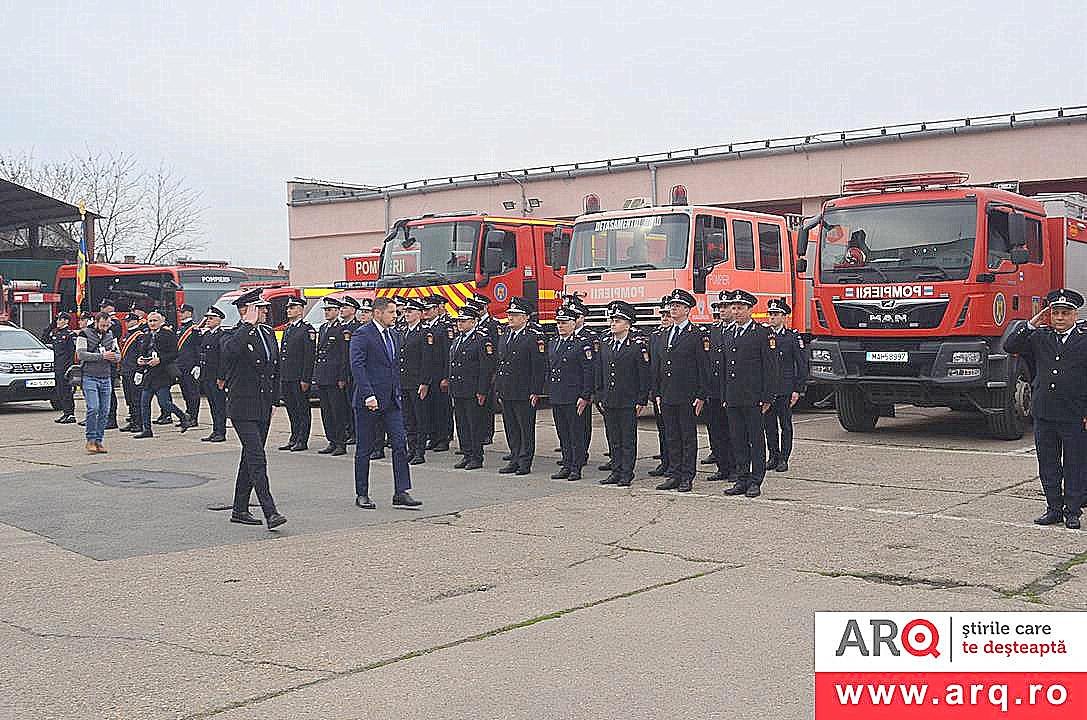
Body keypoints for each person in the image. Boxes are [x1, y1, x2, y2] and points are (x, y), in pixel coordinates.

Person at [1004, 289, 1087, 530]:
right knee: (1048, 463)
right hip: (1044, 412)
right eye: (1056, 313)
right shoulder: (1040, 336)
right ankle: (1054, 509)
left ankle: (1073, 511)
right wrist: (1031, 324)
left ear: (1075, 315)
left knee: (1075, 464)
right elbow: (1010, 346)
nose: (1060, 318)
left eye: (1065, 313)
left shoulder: (1083, 339)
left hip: (1074, 413)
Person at [221, 288, 286, 529]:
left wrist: (275, 400)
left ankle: (239, 509)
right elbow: (230, 353)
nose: (265, 312)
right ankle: (270, 511)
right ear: (245, 311)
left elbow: (275, 369)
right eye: (260, 308)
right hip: (242, 406)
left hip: (263, 405)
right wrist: (246, 325)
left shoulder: (267, 333)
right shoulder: (232, 334)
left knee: (249, 458)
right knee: (257, 458)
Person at [349, 297, 422, 509]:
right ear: (378, 313)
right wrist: (368, 395)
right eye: (391, 312)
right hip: (369, 401)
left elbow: (394, 367)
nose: (395, 316)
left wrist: (397, 392)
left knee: (399, 444)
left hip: (391, 400)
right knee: (365, 447)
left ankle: (401, 491)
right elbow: (357, 366)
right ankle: (362, 493)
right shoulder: (362, 334)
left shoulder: (394, 335)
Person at [721, 290, 779, 498]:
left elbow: (770, 368)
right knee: (738, 439)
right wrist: (725, 395)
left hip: (754, 397)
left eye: (740, 308)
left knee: (755, 440)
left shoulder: (762, 333)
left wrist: (767, 397)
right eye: (734, 308)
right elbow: (725, 367)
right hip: (734, 396)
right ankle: (742, 478)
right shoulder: (728, 333)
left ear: (750, 310)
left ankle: (755, 480)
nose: (736, 312)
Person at [651, 288, 710, 492]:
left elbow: (703, 367)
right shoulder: (665, 333)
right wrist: (657, 393)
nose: (673, 309)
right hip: (667, 394)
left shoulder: (696, 335)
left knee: (687, 437)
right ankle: (674, 474)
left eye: (678, 306)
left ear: (687, 310)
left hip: (687, 394)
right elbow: (658, 366)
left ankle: (687, 476)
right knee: (672, 436)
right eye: (672, 305)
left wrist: (701, 395)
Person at [596, 300, 651, 486]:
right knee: (613, 438)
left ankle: (627, 472)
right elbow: (600, 371)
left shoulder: (636, 346)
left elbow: (643, 375)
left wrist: (641, 399)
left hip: (628, 400)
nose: (613, 324)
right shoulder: (606, 343)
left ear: (627, 325)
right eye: (612, 320)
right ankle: (616, 470)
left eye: (618, 321)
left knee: (627, 439)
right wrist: (600, 395)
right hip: (610, 399)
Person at [494, 297, 546, 476]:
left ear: (525, 317)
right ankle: (514, 458)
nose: (510, 317)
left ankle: (525, 461)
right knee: (511, 427)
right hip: (507, 389)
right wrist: (499, 388)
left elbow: (538, 366)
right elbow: (500, 364)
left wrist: (535, 390)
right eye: (510, 314)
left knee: (525, 428)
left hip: (523, 391)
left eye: (515, 315)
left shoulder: (532, 337)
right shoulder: (505, 335)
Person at [548, 305, 595, 481]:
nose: (560, 326)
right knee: (563, 433)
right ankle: (566, 464)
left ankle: (576, 467)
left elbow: (588, 371)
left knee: (576, 434)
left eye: (564, 323)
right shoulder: (553, 342)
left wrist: (585, 396)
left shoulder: (581, 343)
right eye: (558, 323)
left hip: (574, 396)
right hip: (557, 395)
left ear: (573, 324)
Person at [448, 303, 496, 469]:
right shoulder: (457, 339)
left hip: (472, 389)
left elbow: (485, 368)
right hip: (458, 388)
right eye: (459, 321)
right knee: (462, 424)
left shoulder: (481, 340)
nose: (459, 324)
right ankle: (466, 453)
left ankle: (476, 456)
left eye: (464, 321)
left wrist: (482, 391)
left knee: (474, 424)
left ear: (474, 321)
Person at [763, 297, 808, 473]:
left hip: (785, 388)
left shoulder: (791, 337)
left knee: (785, 425)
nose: (772, 317)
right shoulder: (764, 335)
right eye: (770, 314)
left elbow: (801, 364)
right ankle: (773, 456)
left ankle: (783, 458)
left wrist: (798, 389)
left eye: (776, 314)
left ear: (784, 317)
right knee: (769, 425)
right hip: (768, 389)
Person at [132, 310, 192, 438]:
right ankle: (147, 429)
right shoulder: (146, 335)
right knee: (144, 402)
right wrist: (141, 361)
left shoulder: (168, 334)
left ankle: (183, 416)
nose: (152, 323)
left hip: (163, 374)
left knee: (164, 402)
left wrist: (160, 360)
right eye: (150, 321)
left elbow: (174, 353)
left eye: (155, 321)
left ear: (161, 322)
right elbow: (143, 352)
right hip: (149, 374)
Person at [75, 312, 120, 453]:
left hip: (106, 377)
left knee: (104, 411)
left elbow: (118, 355)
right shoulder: (84, 334)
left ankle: (99, 441)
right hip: (89, 376)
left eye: (107, 325)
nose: (105, 328)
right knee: (93, 408)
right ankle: (90, 440)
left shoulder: (111, 335)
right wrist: (102, 356)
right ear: (96, 322)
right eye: (102, 325)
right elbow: (81, 354)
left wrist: (114, 357)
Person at [703, 294, 737, 482]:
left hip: (732, 389)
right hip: (715, 388)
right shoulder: (715, 329)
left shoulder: (738, 330)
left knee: (734, 431)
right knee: (717, 430)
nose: (722, 310)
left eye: (726, 306)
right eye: (720, 307)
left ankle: (736, 468)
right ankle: (723, 467)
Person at [278, 296, 316, 451]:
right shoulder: (288, 329)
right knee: (291, 409)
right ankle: (294, 437)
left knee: (302, 409)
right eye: (288, 308)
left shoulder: (306, 329)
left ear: (300, 310)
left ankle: (302, 439)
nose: (288, 310)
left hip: (299, 377)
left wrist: (306, 378)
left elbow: (309, 356)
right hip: (287, 376)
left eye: (292, 307)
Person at [313, 297, 349, 456]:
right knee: (326, 412)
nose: (326, 313)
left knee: (337, 411)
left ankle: (340, 442)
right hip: (323, 375)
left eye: (329, 310)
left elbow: (344, 355)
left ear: (337, 311)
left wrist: (342, 377)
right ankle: (331, 440)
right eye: (325, 310)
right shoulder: (323, 328)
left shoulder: (342, 329)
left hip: (334, 377)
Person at [397, 297, 430, 465]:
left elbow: (427, 360)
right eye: (406, 311)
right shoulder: (403, 331)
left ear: (419, 313)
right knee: (408, 418)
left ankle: (419, 451)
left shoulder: (424, 332)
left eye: (410, 311)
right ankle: (411, 448)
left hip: (417, 382)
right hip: (404, 381)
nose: (407, 314)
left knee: (420, 418)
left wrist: (424, 382)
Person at [421, 295, 453, 452]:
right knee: (430, 408)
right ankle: (433, 436)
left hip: (440, 374)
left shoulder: (444, 327)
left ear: (435, 309)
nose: (425, 312)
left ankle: (443, 438)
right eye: (424, 310)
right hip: (429, 375)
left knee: (442, 409)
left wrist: (446, 377)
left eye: (428, 309)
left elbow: (447, 353)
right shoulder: (425, 327)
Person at [647, 297, 673, 477]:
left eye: (667, 315)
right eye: (662, 315)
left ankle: (675, 464)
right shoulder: (656, 336)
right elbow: (653, 366)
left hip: (675, 391)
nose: (664, 318)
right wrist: (654, 390)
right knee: (662, 429)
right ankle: (665, 461)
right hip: (660, 390)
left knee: (675, 432)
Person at [198, 306, 228, 442]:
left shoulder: (222, 335)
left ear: (219, 320)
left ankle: (221, 432)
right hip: (207, 376)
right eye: (207, 318)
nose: (208, 321)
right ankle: (215, 430)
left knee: (219, 405)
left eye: (211, 318)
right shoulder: (207, 335)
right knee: (212, 405)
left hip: (216, 377)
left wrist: (221, 377)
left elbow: (223, 359)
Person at [118, 312, 149, 433]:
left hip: (134, 371)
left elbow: (141, 354)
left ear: (135, 321)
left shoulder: (140, 336)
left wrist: (139, 371)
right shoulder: (127, 335)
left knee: (136, 398)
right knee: (129, 398)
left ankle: (139, 423)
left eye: (129, 321)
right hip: (126, 370)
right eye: (126, 321)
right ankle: (133, 420)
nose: (126, 323)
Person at [43, 312, 77, 424]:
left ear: (66, 321)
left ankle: (70, 414)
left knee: (67, 392)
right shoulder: (56, 334)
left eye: (59, 319)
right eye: (57, 319)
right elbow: (44, 338)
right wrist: (52, 324)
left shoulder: (70, 335)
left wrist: (70, 369)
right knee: (60, 392)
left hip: (66, 368)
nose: (57, 321)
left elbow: (72, 353)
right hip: (58, 367)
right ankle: (66, 413)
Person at [175, 304, 202, 426]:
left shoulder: (194, 329)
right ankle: (188, 415)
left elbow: (198, 347)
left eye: (182, 312)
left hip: (190, 366)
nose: (180, 314)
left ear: (189, 313)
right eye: (180, 312)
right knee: (185, 392)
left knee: (193, 393)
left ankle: (194, 418)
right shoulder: (180, 329)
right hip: (181, 365)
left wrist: (197, 364)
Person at [98, 298, 122, 430]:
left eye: (104, 307)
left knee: (109, 392)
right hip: (101, 360)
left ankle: (111, 419)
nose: (102, 309)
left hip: (110, 361)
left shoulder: (115, 322)